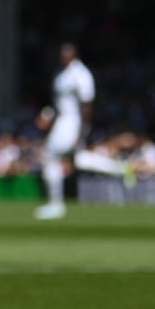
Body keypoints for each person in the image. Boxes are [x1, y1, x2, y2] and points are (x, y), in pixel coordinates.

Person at [34, 42, 94, 220]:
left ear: (75, 55)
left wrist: (83, 130)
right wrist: (48, 115)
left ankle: (56, 204)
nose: (62, 57)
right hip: (61, 121)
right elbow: (57, 103)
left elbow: (87, 104)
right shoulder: (59, 73)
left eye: (66, 54)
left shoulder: (81, 74)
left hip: (72, 122)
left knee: (50, 155)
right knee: (78, 160)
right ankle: (121, 169)